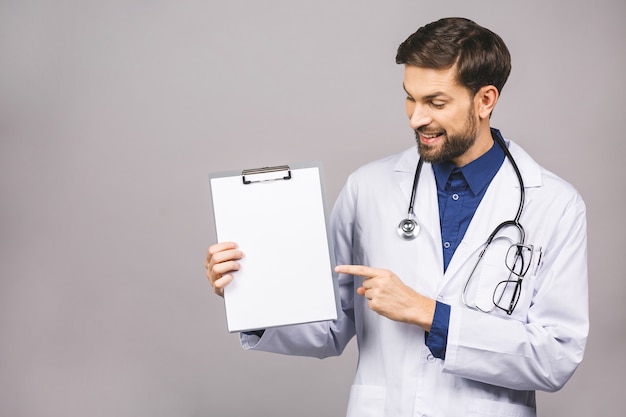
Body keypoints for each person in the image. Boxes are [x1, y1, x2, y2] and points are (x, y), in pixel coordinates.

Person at [205, 17, 588, 417]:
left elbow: (555, 358)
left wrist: (429, 314)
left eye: (436, 103)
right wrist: (248, 297)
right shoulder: (368, 187)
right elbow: (330, 326)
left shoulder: (556, 205)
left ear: (485, 100)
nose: (416, 118)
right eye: (410, 98)